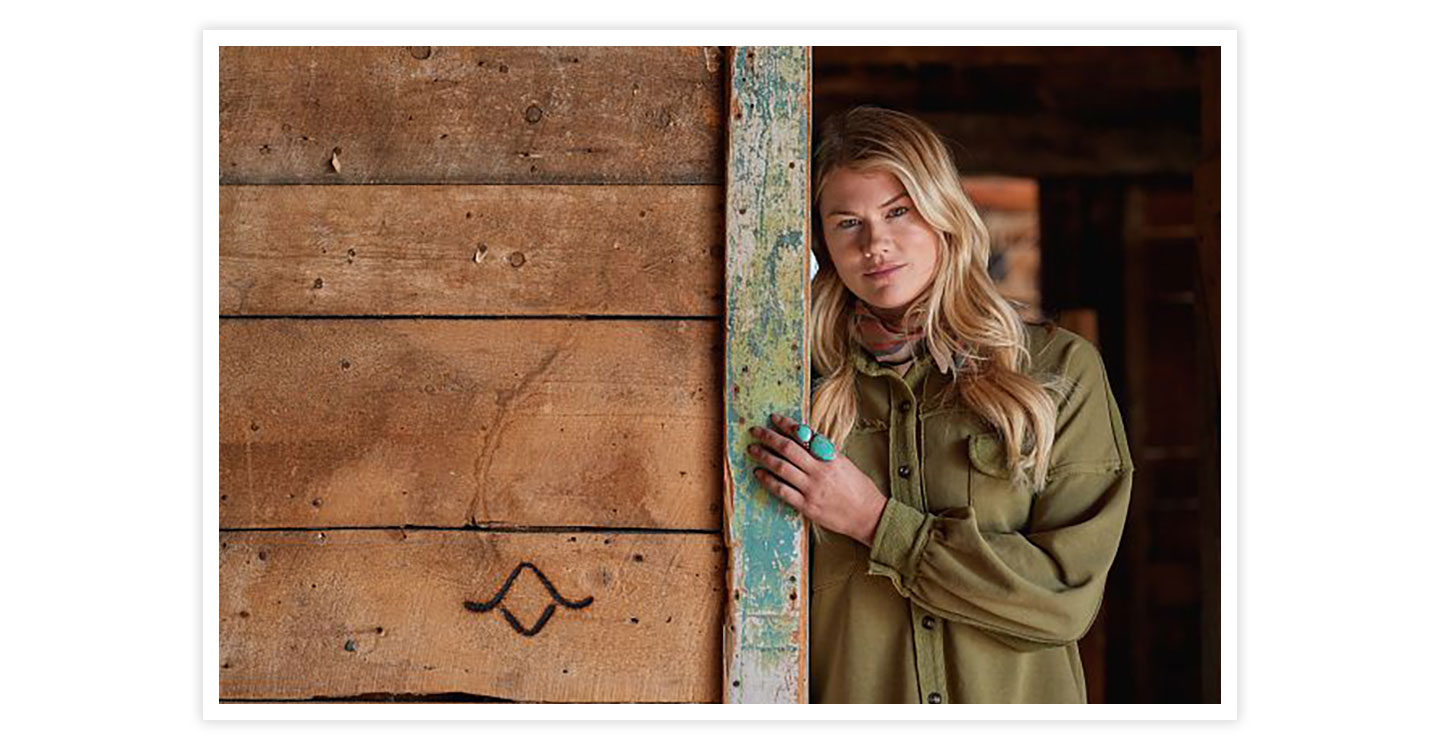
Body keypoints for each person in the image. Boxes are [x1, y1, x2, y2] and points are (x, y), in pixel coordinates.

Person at [744, 106, 1134, 703]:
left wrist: (875, 522)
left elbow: (1064, 600)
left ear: (944, 214)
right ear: (821, 239)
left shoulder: (1058, 372)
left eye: (898, 212)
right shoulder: (792, 389)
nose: (876, 244)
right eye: (848, 222)